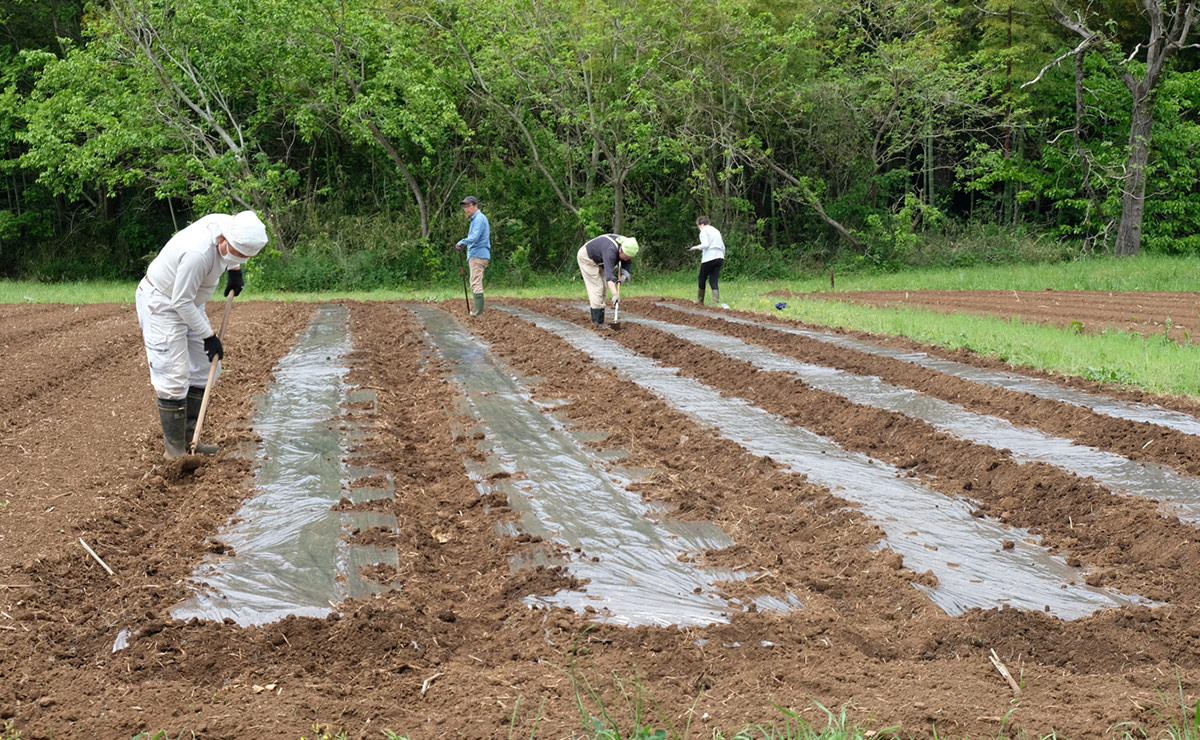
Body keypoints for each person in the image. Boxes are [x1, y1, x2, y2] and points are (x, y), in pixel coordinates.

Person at [136, 210, 269, 460]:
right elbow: (180, 301)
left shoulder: (230, 228)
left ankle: (191, 440)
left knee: (206, 368)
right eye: (236, 254)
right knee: (174, 375)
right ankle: (175, 452)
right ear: (224, 240)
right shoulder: (197, 253)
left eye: (243, 256)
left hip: (190, 302)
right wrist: (209, 336)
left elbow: (230, 254)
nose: (237, 257)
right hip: (162, 303)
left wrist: (234, 269)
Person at [577, 233, 638, 327]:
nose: (626, 259)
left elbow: (627, 264)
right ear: (621, 249)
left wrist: (623, 278)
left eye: (629, 258)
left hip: (600, 260)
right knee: (597, 288)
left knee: (603, 288)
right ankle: (598, 323)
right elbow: (609, 277)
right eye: (625, 256)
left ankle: (599, 319)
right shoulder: (611, 250)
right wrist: (615, 294)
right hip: (587, 258)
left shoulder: (629, 246)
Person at [455, 195, 491, 316]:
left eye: (468, 206)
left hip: (478, 254)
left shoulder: (479, 219)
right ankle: (478, 311)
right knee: (474, 282)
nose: (466, 209)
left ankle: (478, 313)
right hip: (479, 254)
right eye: (464, 207)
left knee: (475, 283)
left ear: (476, 206)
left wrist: (462, 242)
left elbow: (475, 237)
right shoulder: (477, 219)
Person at [688, 216, 725, 305]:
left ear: (702, 224)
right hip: (719, 257)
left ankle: (700, 300)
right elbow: (723, 246)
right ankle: (715, 302)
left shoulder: (704, 231)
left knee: (702, 278)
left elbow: (705, 244)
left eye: (698, 226)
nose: (699, 228)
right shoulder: (716, 231)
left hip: (709, 257)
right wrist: (722, 256)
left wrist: (694, 248)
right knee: (713, 279)